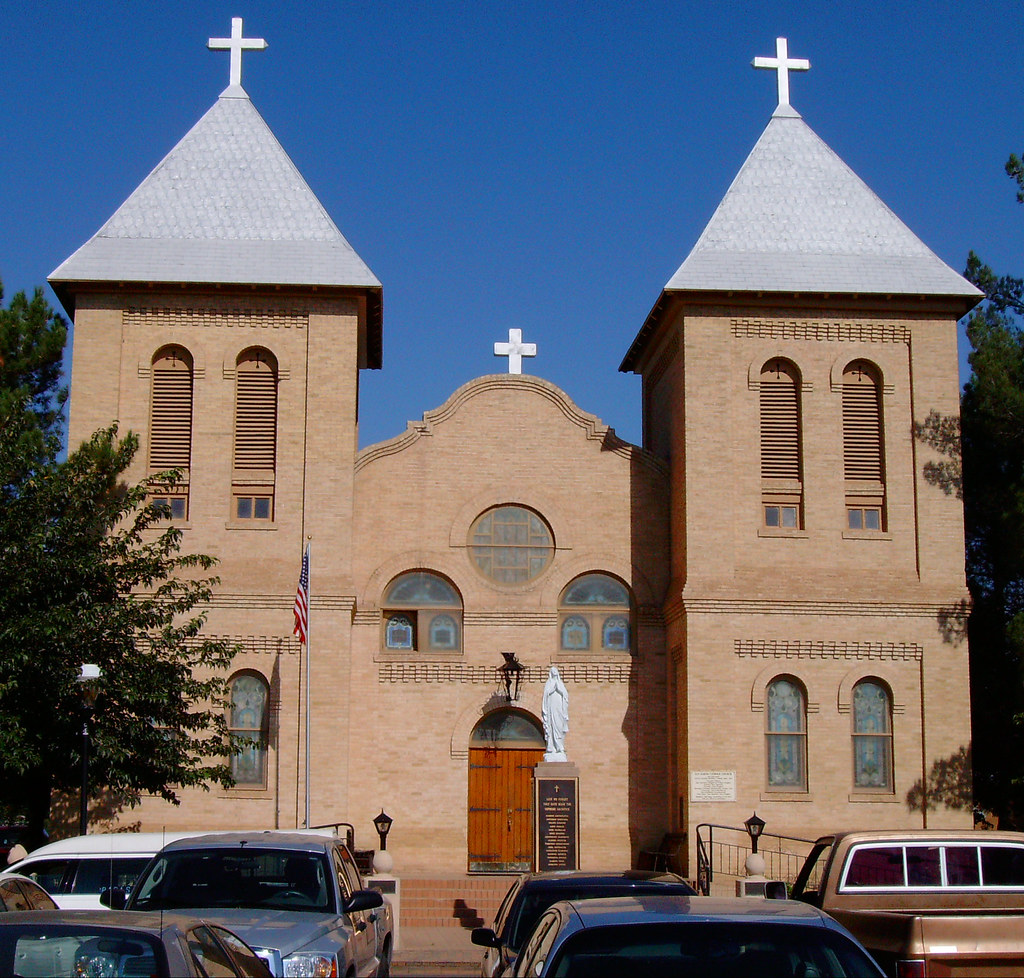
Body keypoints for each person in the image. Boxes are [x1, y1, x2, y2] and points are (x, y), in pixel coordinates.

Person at [542, 666, 569, 761]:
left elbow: (565, 696)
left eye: (555, 672)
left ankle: (559, 748)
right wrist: (552, 690)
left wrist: (559, 690)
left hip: (559, 711)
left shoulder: (560, 684)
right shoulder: (548, 684)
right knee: (552, 728)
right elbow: (545, 696)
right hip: (551, 710)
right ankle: (551, 748)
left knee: (559, 727)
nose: (554, 673)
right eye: (552, 672)